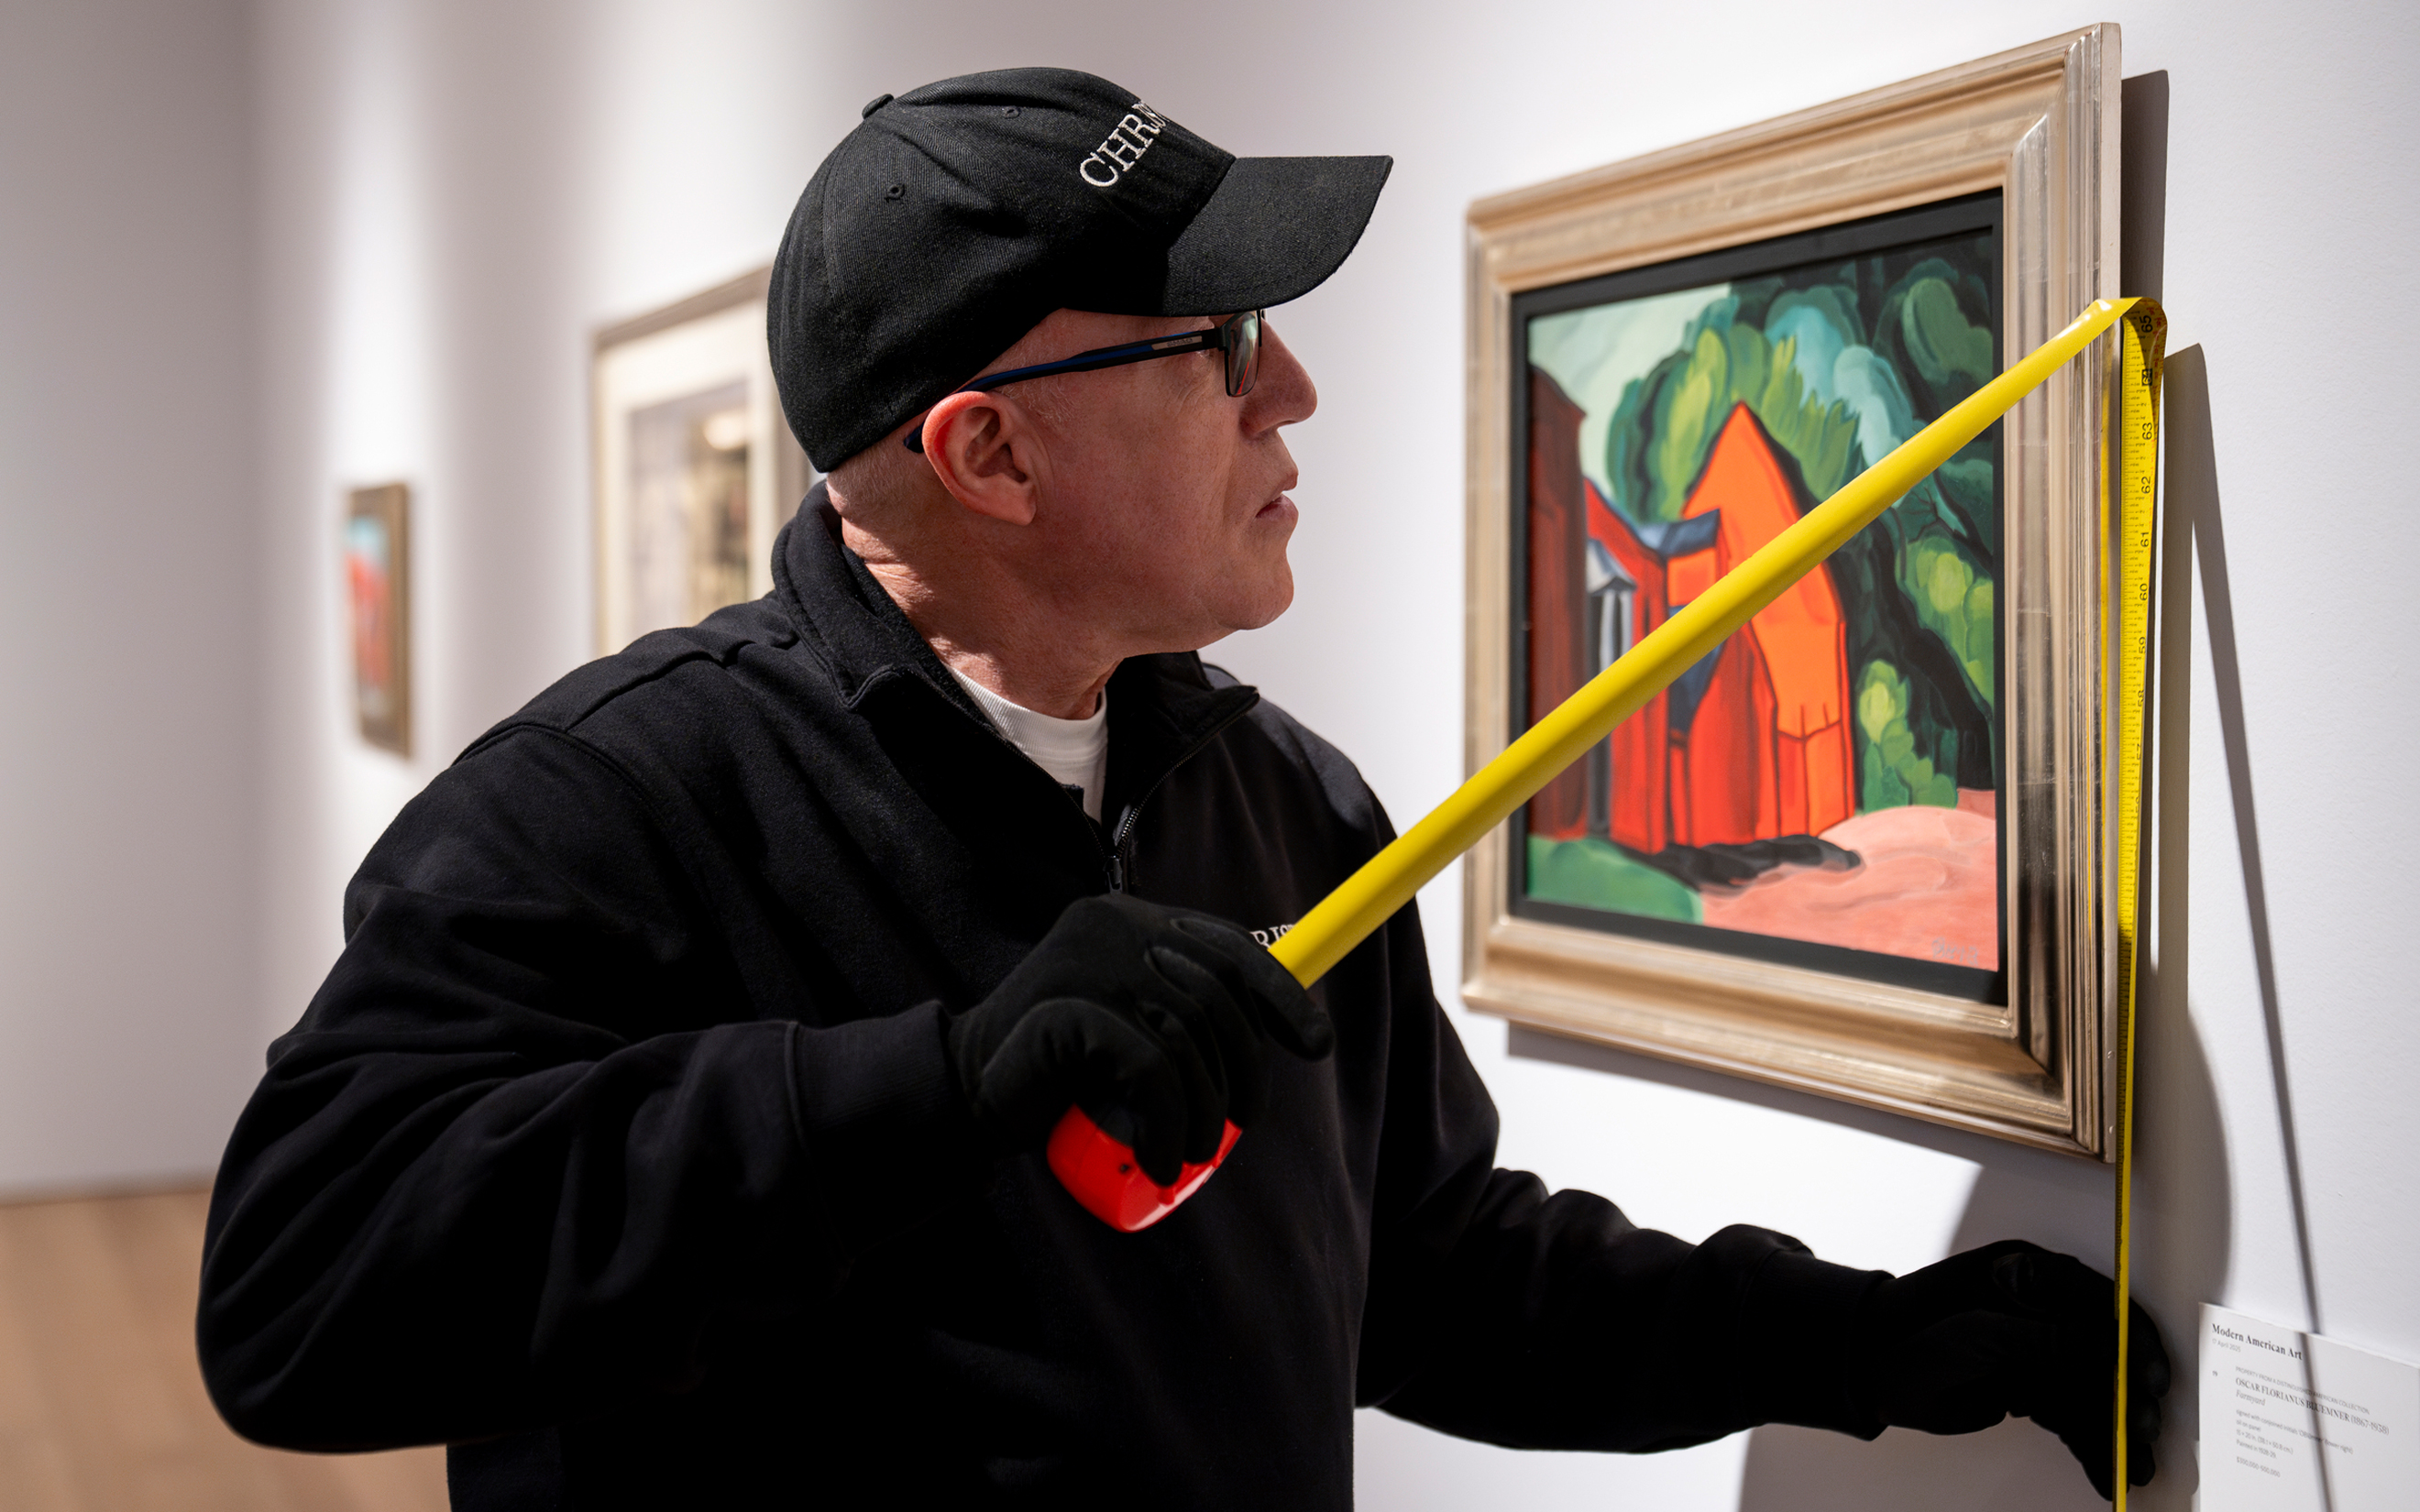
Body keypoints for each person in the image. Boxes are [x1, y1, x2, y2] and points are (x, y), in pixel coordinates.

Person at [198, 68, 2167, 1510]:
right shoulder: (611, 803)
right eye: (1219, 343)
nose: (1291, 390)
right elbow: (297, 1303)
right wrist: (935, 1082)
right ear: (988, 456)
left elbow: (1421, 1270)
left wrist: (1856, 1343)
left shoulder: (1280, 798)